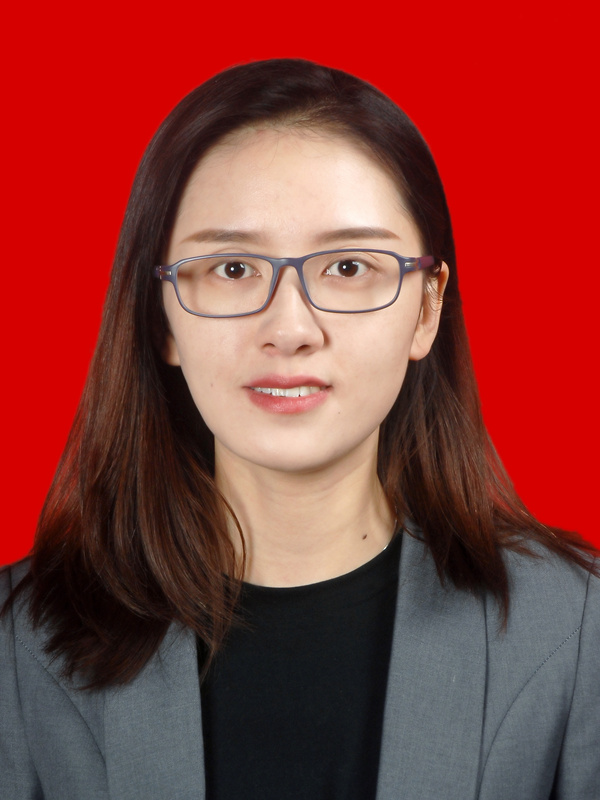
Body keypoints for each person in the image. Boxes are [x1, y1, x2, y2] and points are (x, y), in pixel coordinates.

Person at [1, 58, 598, 800]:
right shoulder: (16, 649)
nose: (289, 328)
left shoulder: (574, 631)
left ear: (426, 308)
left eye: (348, 266)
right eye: (232, 269)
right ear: (161, 318)